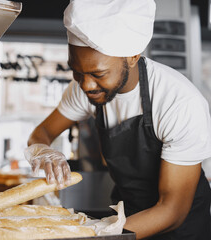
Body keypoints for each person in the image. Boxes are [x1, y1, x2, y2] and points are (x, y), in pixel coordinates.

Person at [24, 0, 211, 239]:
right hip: (125, 217)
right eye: (77, 71)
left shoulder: (179, 102)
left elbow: (172, 210)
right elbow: (40, 135)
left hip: (179, 227)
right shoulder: (83, 87)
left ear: (133, 56)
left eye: (98, 74)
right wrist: (43, 152)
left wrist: (98, 234)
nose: (86, 85)